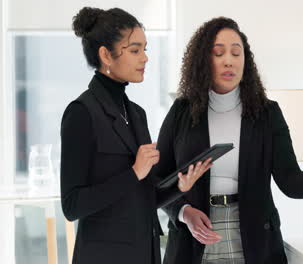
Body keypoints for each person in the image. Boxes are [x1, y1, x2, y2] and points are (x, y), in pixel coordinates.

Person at [154, 17, 303, 264]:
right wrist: (183, 212)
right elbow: (160, 179)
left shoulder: (267, 113)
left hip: (254, 235)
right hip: (194, 236)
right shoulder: (182, 111)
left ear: (246, 61)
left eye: (236, 53)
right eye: (218, 53)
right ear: (203, 61)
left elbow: (290, 179)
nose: (229, 61)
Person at [60, 7, 212, 264]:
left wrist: (179, 187)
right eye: (134, 50)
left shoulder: (136, 114)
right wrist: (133, 172)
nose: (144, 58)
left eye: (145, 49)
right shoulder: (81, 113)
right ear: (106, 55)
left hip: (145, 253)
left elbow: (143, 198)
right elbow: (72, 206)